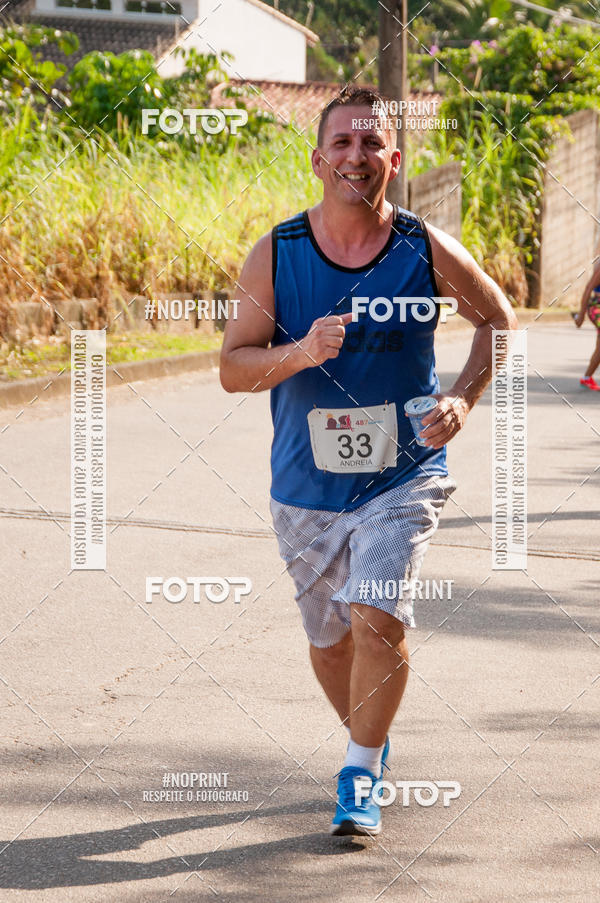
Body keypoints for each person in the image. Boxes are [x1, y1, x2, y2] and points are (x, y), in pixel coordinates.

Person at [220, 87, 518, 837]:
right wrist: (300, 350)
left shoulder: (423, 246)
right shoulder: (279, 253)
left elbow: (499, 321)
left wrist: (464, 399)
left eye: (371, 144)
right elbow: (232, 367)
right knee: (331, 642)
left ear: (395, 158)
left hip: (403, 473)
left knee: (377, 615)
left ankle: (357, 770)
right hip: (306, 484)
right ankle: (371, 739)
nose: (357, 156)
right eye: (342, 144)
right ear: (320, 160)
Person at [573, 258, 600, 391]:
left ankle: (587, 378)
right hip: (596, 306)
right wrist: (582, 314)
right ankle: (587, 378)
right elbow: (589, 288)